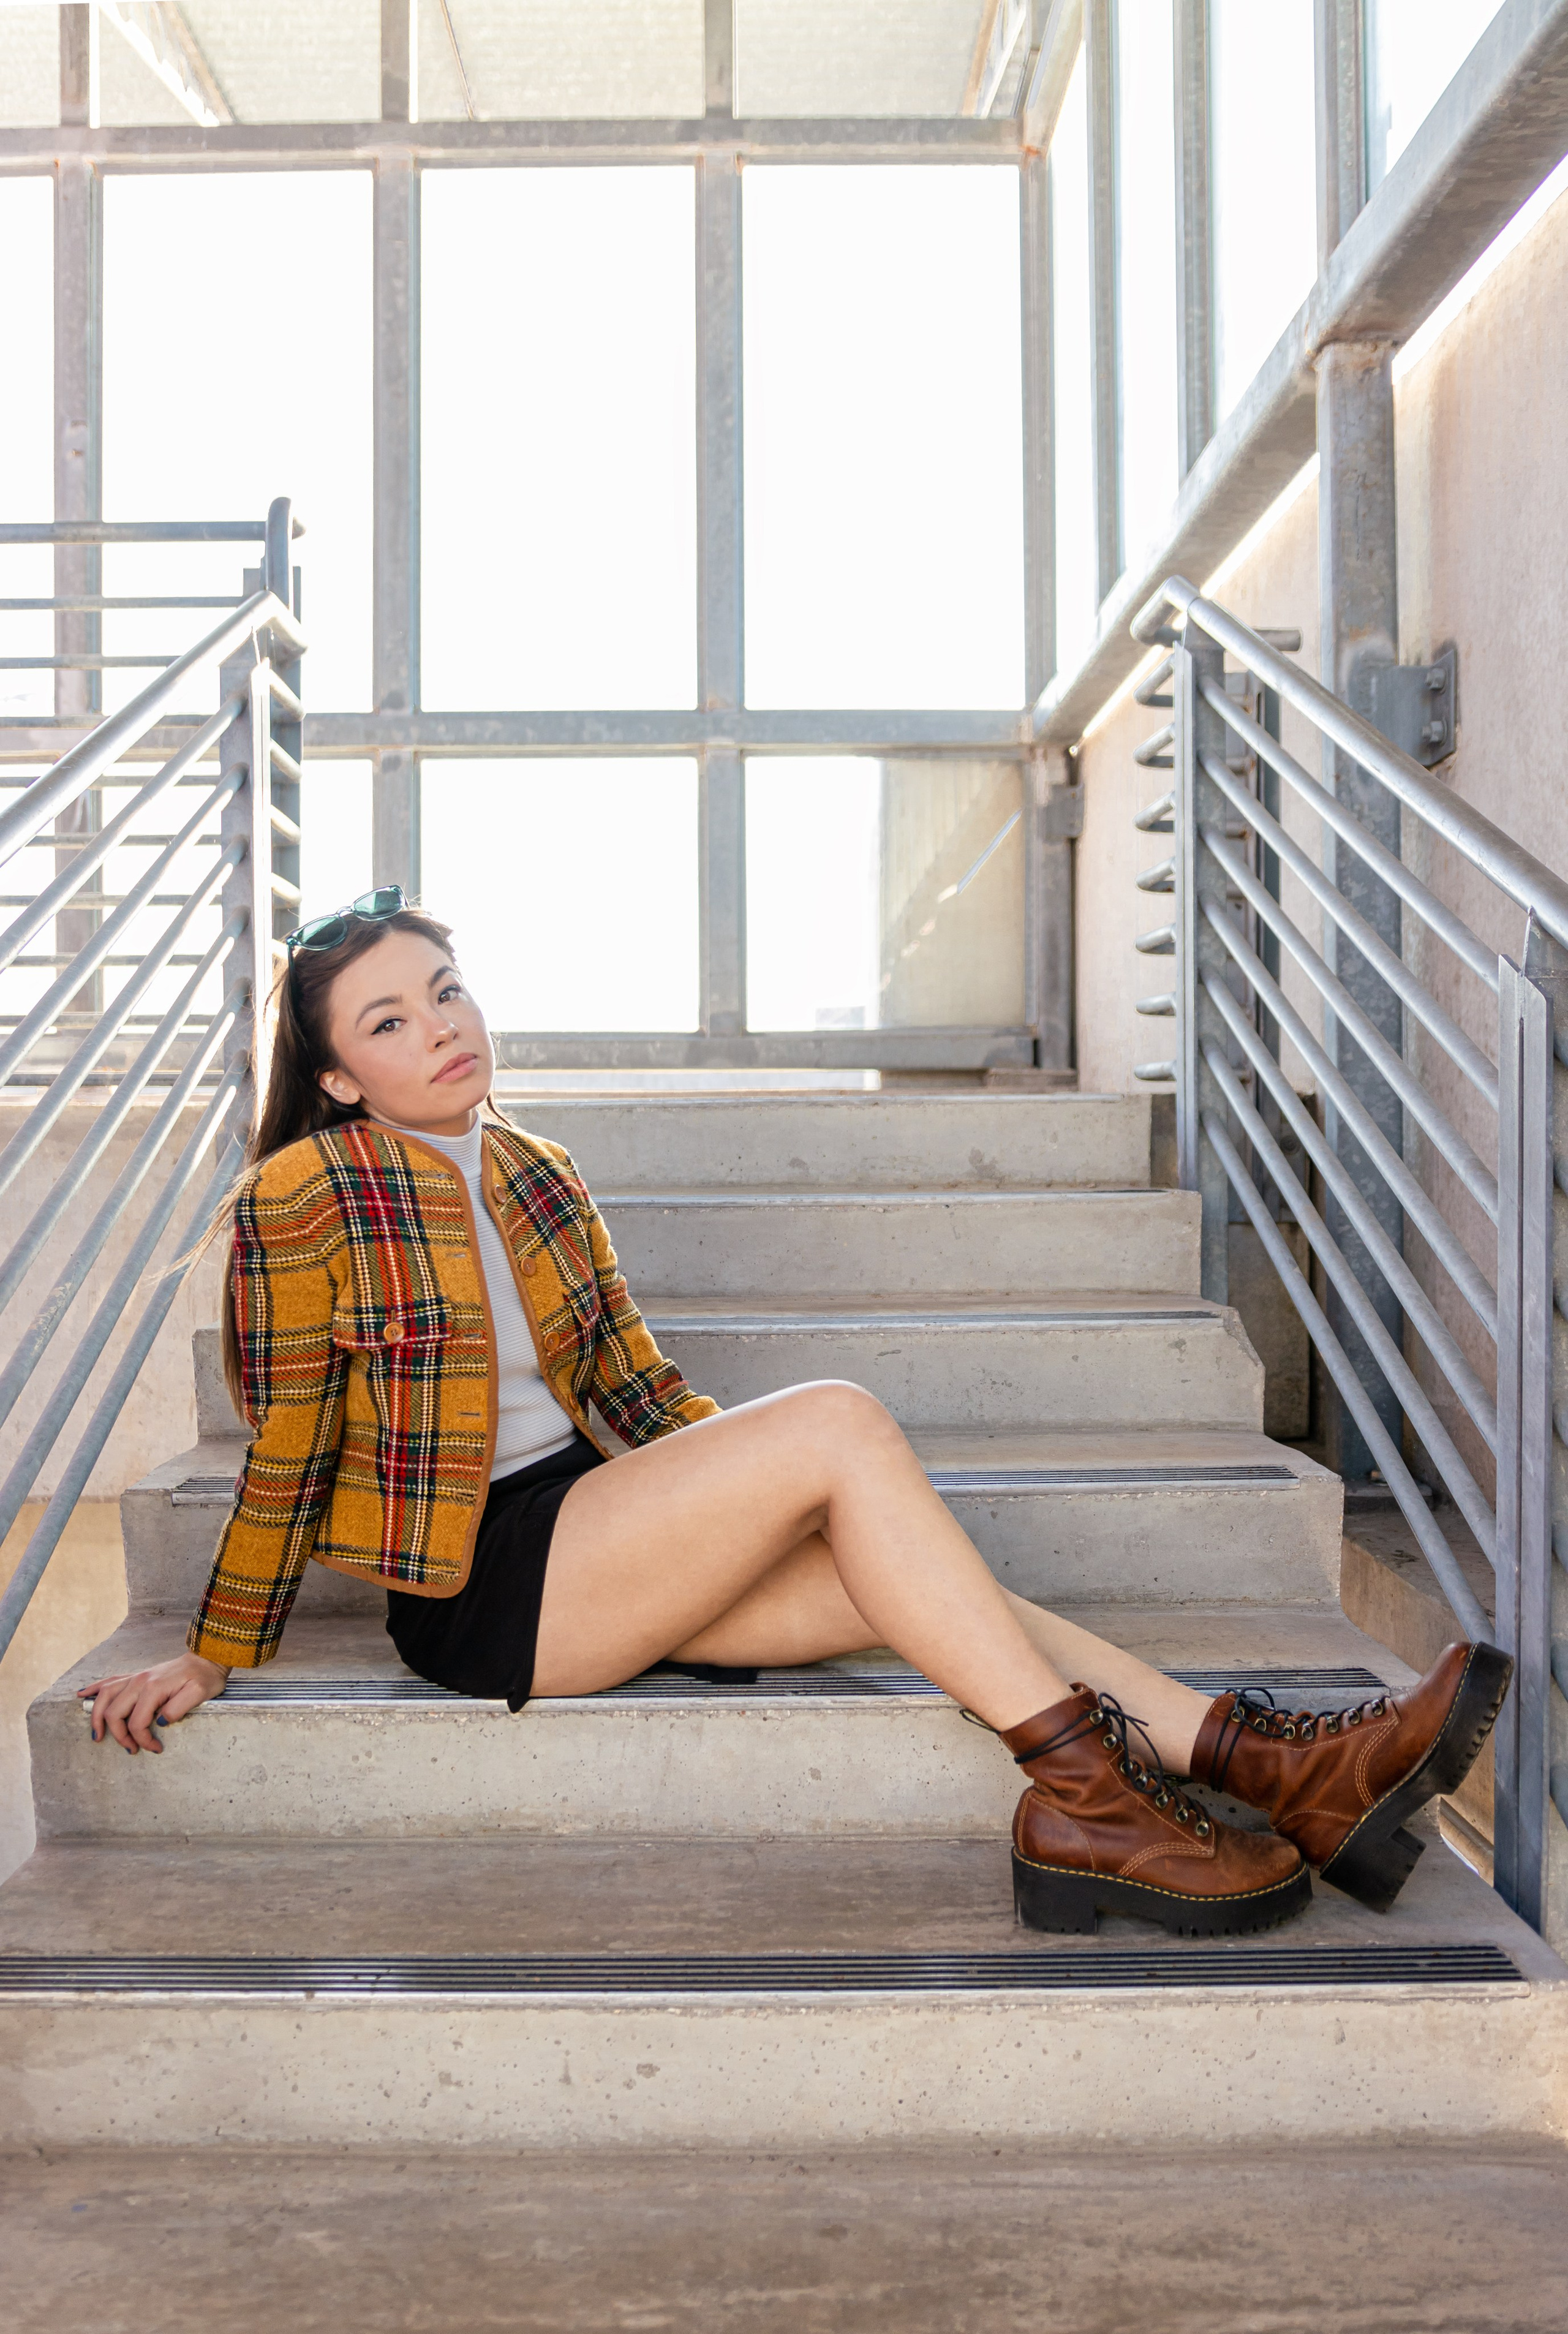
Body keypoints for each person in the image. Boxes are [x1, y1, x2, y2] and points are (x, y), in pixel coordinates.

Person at [80, 891, 1512, 1936]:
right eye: (390, 1019)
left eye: (446, 988)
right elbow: (287, 1437)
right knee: (835, 1426)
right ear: (339, 1074)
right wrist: (217, 1651)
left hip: (599, 1529)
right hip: (484, 1587)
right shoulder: (300, 1198)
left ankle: (1268, 1767)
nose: (440, 1026)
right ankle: (1087, 1802)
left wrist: (743, 1487)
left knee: (895, 1563)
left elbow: (637, 1393)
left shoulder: (534, 1169)